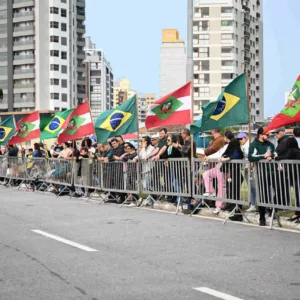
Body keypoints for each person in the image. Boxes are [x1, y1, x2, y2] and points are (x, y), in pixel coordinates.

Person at [202, 131, 234, 214]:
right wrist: (209, 157)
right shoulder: (225, 145)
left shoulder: (229, 146)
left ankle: (219, 205)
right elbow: (218, 153)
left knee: (221, 186)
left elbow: (219, 155)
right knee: (206, 174)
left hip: (223, 167)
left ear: (226, 138)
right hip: (218, 166)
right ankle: (211, 191)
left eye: (224, 137)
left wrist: (209, 157)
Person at [248, 127, 275, 226]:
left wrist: (271, 156)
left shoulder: (270, 144)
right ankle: (262, 217)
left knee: (278, 192)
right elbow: (251, 156)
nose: (268, 136)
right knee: (263, 194)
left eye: (268, 135)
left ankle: (272, 210)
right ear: (260, 135)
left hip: (272, 172)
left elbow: (274, 153)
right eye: (266, 135)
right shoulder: (254, 145)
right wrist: (263, 156)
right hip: (261, 173)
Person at [275, 137, 300, 222]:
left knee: (298, 195)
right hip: (295, 175)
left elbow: (285, 157)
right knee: (298, 195)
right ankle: (297, 213)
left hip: (296, 176)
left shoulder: (292, 151)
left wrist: (276, 157)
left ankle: (297, 214)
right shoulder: (297, 150)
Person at [220, 138, 244, 221]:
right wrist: (223, 157)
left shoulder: (237, 151)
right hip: (232, 174)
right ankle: (234, 211)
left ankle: (238, 214)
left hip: (236, 175)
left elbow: (236, 156)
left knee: (236, 195)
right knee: (233, 194)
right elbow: (224, 155)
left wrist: (227, 158)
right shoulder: (231, 150)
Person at [237, 132, 257, 212]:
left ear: (245, 138)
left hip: (251, 168)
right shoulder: (243, 146)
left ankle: (254, 204)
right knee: (251, 187)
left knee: (253, 187)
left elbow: (253, 154)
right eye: (239, 139)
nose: (240, 141)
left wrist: (252, 163)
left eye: (241, 139)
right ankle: (253, 204)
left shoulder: (249, 145)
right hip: (246, 168)